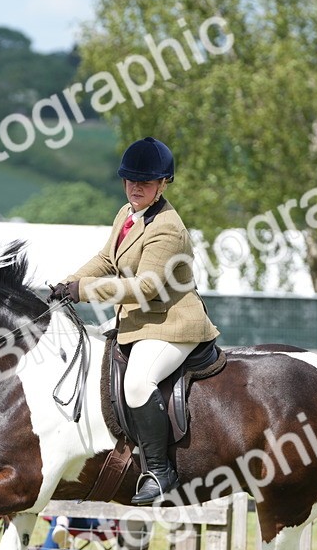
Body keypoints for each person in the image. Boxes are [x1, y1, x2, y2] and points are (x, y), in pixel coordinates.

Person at [49, 137, 219, 506]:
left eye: (145, 182)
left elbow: (146, 287)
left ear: (163, 184)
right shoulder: (126, 215)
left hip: (171, 324)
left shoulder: (167, 228)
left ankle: (159, 471)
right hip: (139, 324)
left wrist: (84, 290)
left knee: (139, 383)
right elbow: (106, 260)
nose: (136, 187)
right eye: (130, 180)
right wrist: (68, 282)